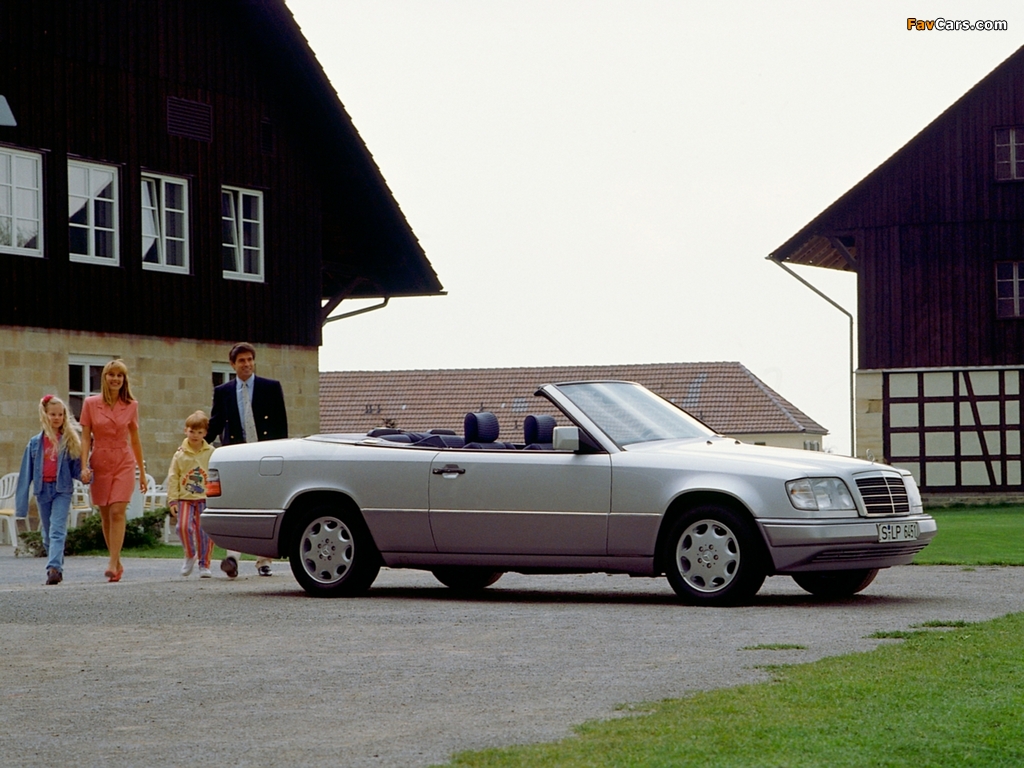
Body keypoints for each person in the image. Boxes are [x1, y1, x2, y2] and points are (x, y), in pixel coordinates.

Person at [208, 342, 287, 577]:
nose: (247, 364)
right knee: (236, 505)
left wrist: (282, 454)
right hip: (236, 456)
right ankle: (232, 557)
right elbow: (215, 423)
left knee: (265, 504)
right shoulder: (223, 391)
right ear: (233, 364)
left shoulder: (270, 387)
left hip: (265, 454)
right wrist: (194, 445)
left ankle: (264, 560)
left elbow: (280, 424)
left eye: (250, 359)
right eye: (242, 361)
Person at [80, 359, 147, 583]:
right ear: (105, 377)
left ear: (124, 379)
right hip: (100, 459)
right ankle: (117, 563)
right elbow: (85, 438)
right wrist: (83, 465)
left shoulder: (131, 405)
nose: (115, 379)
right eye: (112, 374)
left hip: (123, 460)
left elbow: (135, 440)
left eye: (120, 375)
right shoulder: (90, 403)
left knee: (118, 510)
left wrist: (142, 472)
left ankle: (111, 562)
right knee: (105, 513)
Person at [15, 395, 83, 585]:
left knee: (57, 529)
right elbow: (25, 474)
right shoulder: (35, 443)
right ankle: (57, 568)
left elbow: (76, 469)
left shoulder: (69, 440)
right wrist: (21, 505)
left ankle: (53, 569)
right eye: (53, 414)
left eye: (60, 414)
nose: (57, 418)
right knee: (47, 533)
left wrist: (86, 474)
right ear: (45, 415)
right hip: (42, 490)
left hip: (62, 489)